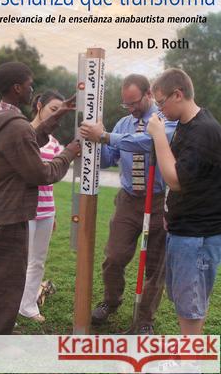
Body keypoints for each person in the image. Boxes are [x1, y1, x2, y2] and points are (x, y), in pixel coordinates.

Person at [0, 62, 80, 335]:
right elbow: (42, 174)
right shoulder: (16, 126)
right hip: (12, 213)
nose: (31, 88)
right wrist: (70, 151)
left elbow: (27, 138)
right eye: (29, 84)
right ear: (17, 87)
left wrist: (58, 113)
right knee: (8, 281)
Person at [80, 74, 177, 334]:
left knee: (155, 267)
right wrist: (91, 146)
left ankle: (144, 321)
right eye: (126, 104)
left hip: (158, 201)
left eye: (134, 103)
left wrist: (106, 136)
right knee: (114, 257)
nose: (131, 109)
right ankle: (111, 301)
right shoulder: (123, 123)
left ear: (148, 95)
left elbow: (145, 144)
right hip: (128, 200)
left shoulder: (164, 120)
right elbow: (110, 157)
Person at [147, 68, 221, 335]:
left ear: (177, 95)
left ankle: (189, 365)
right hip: (184, 231)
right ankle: (188, 362)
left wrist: (157, 135)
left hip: (197, 237)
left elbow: (175, 179)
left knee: (191, 309)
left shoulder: (204, 131)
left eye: (160, 102)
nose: (159, 110)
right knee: (186, 304)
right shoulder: (186, 125)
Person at [19, 90, 64, 322]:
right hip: (23, 211)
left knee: (37, 260)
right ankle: (10, 307)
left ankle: (28, 306)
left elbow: (51, 181)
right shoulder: (22, 134)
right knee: (18, 262)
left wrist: (53, 214)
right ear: (39, 105)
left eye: (60, 112)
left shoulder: (55, 144)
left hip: (46, 212)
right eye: (52, 110)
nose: (56, 116)